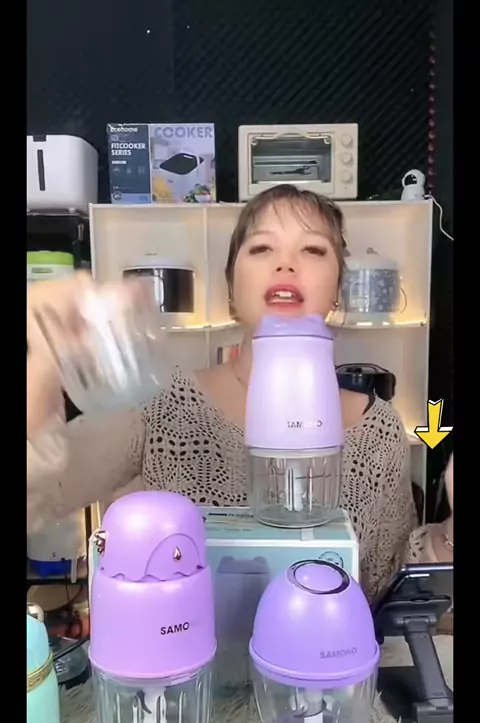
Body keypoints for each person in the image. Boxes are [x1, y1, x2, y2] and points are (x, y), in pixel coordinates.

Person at [27, 185, 453, 600]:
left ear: (338, 289)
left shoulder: (378, 430)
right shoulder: (158, 404)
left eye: (313, 250)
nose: (286, 264)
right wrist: (42, 363)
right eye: (262, 248)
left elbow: (394, 591)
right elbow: (37, 496)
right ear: (231, 287)